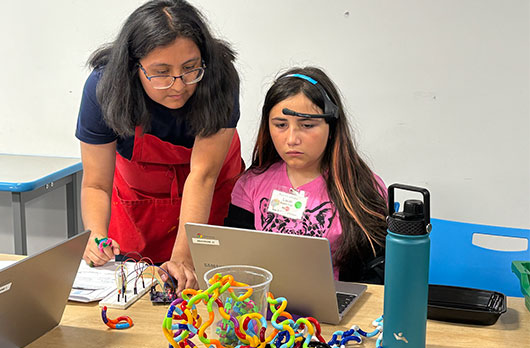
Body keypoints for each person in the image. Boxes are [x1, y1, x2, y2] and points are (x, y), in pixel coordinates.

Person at [76, 0, 242, 293]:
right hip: (139, 204)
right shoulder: (104, 87)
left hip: (206, 194)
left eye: (190, 68)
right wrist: (97, 237)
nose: (178, 85)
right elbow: (96, 185)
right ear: (133, 66)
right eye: (161, 72)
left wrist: (182, 257)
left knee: (209, 291)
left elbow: (202, 176)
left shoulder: (220, 78)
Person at [225, 67, 388, 284]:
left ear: (332, 126)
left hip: (335, 312)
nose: (292, 139)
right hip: (263, 308)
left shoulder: (363, 189)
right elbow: (234, 260)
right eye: (281, 125)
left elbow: (376, 279)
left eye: (308, 125)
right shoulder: (251, 183)